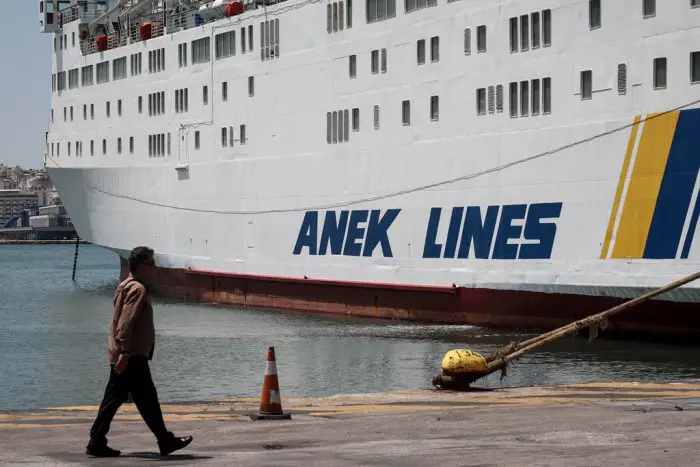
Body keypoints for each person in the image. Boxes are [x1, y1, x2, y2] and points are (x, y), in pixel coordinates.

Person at [86, 246, 193, 457]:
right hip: (131, 356)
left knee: (130, 399)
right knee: (141, 399)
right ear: (142, 267)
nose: (154, 268)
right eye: (152, 264)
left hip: (126, 354)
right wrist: (125, 353)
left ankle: (99, 440)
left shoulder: (124, 285)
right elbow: (125, 324)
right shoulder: (138, 290)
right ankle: (162, 440)